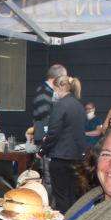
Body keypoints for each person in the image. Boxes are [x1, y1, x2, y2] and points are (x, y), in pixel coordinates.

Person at [39, 75, 86, 213]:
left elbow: (53, 133)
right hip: (77, 157)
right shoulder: (79, 105)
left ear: (60, 87)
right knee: (73, 195)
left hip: (60, 157)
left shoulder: (60, 106)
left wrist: (42, 150)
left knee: (61, 196)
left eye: (54, 88)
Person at [32, 64, 67, 204]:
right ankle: (48, 208)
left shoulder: (51, 93)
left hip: (51, 140)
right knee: (49, 176)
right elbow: (46, 120)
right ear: (56, 78)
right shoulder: (43, 93)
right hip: (46, 141)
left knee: (52, 176)